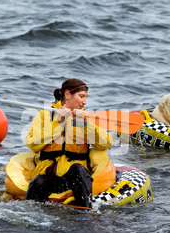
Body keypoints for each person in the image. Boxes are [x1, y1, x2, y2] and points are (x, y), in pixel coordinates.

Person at [24, 78, 113, 208]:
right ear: (67, 95)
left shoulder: (86, 117)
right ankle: (28, 211)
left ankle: (86, 211)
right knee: (38, 181)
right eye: (81, 96)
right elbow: (32, 144)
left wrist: (85, 124)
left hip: (76, 176)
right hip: (51, 175)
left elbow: (105, 143)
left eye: (86, 97)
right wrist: (58, 122)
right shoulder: (45, 115)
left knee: (77, 169)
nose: (85, 102)